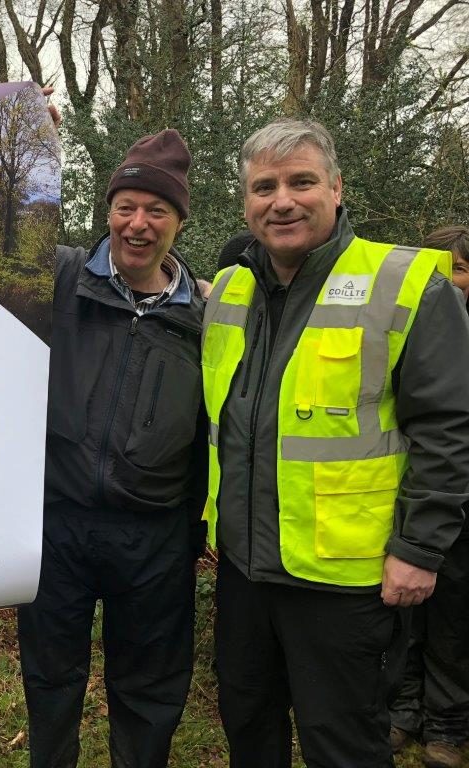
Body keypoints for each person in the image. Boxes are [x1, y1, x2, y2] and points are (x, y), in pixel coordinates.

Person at [202, 117, 469, 767]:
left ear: (337, 188)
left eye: (302, 181)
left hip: (347, 582)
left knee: (342, 744)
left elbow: (449, 425)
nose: (282, 200)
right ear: (246, 203)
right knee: (249, 730)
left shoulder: (404, 284)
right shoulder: (231, 288)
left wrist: (420, 548)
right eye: (264, 186)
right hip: (243, 572)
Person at [19, 129, 207, 768]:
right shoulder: (62, 276)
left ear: (179, 221)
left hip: (154, 537)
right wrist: (17, 132)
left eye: (157, 210)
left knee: (150, 691)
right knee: (50, 682)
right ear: (107, 212)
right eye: (126, 206)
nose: (138, 223)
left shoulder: (206, 314)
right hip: (57, 525)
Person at [389, 226, 469, 768]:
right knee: (404, 614)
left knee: (453, 618)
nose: (450, 280)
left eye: (459, 268)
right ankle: (402, 709)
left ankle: (448, 722)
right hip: (406, 495)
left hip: (457, 501)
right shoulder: (408, 324)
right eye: (441, 269)